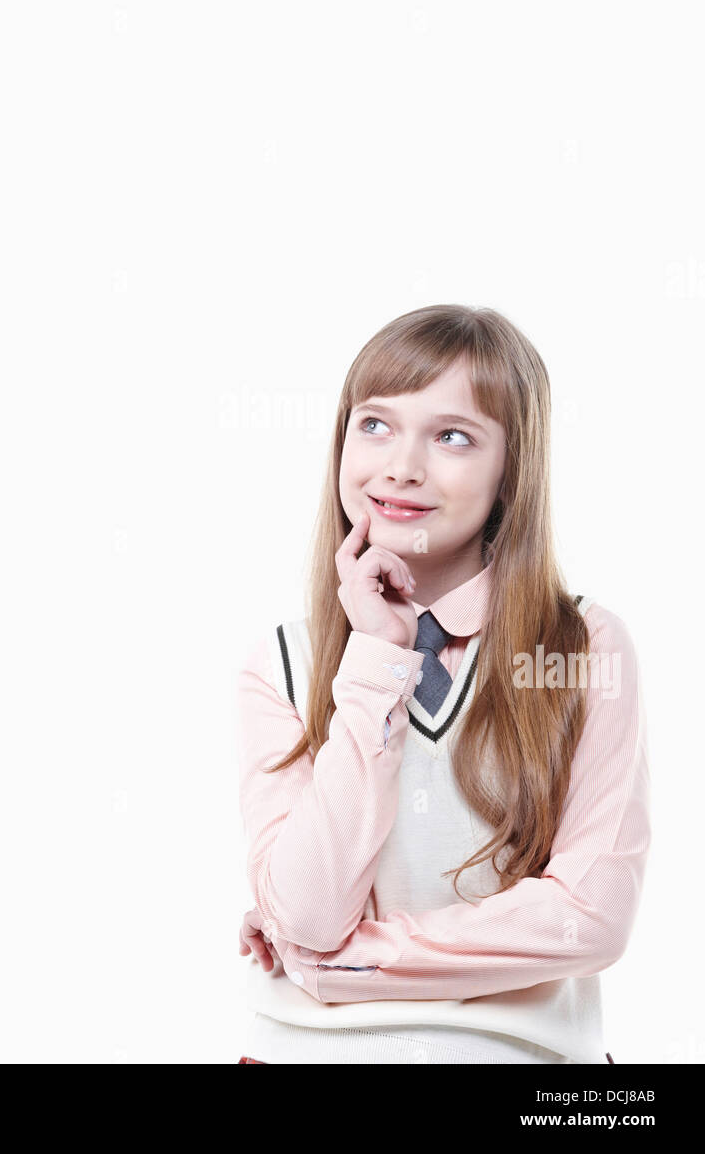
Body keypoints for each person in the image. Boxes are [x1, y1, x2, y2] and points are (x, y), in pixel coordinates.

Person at [234, 304, 650, 1064]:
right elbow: (309, 913)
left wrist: (354, 963)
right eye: (376, 425)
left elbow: (590, 916)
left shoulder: (580, 646)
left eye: (453, 436)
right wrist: (374, 660)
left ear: (510, 468)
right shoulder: (283, 663)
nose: (401, 467)